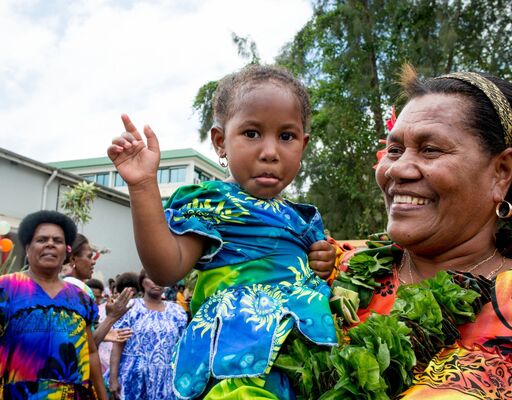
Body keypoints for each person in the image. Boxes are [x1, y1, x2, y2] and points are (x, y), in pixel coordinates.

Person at [321, 66, 512, 399]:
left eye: (430, 150)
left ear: (501, 172)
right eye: (394, 150)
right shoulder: (329, 271)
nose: (396, 169)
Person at [107, 64, 338, 399]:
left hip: (301, 365)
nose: (270, 152)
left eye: (286, 136)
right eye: (252, 133)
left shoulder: (303, 218)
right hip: (234, 368)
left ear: (302, 146)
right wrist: (143, 187)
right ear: (220, 142)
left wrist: (322, 262)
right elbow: (165, 268)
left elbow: (310, 277)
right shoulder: (212, 204)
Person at [0, 210, 107, 399]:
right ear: (27, 248)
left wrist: (103, 396)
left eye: (57, 241)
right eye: (41, 240)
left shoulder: (80, 297)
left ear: (66, 250)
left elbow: (90, 353)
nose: (50, 244)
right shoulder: (6, 288)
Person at [108, 269, 188, 400]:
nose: (157, 283)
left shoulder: (177, 312)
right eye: (152, 279)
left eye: (161, 280)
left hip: (166, 379)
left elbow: (181, 347)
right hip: (134, 377)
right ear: (142, 282)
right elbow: (118, 345)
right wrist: (113, 379)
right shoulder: (130, 308)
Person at [63, 233, 135, 347]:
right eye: (89, 256)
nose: (93, 261)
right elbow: (87, 346)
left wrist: (103, 331)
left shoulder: (58, 286)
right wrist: (112, 317)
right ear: (73, 259)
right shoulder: (80, 291)